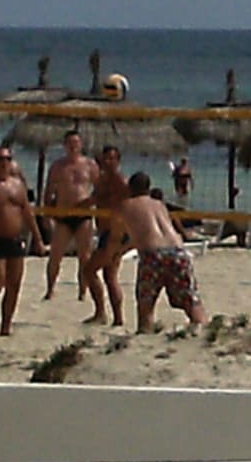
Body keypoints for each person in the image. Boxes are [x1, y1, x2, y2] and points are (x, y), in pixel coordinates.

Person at [104, 171, 208, 333]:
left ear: (130, 189)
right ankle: (206, 332)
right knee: (191, 301)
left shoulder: (125, 206)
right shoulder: (159, 205)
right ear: (148, 188)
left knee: (146, 305)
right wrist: (125, 249)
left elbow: (116, 238)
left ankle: (146, 334)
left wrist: (112, 255)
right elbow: (149, 235)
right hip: (178, 252)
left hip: (152, 255)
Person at [0, 147, 47, 337]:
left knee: (14, 285)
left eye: (8, 159)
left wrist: (38, 239)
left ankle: (6, 327)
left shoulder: (18, 185)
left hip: (15, 240)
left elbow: (27, 213)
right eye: (0, 159)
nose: (4, 163)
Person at [43, 130, 100, 300]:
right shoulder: (58, 166)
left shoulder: (90, 165)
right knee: (55, 255)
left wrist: (92, 204)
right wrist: (47, 214)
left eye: (76, 143)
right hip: (63, 214)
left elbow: (99, 189)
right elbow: (49, 191)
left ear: (81, 145)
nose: (73, 146)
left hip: (84, 215)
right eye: (70, 143)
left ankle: (82, 292)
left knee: (84, 257)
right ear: (64, 145)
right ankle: (50, 289)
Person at [81, 146, 129, 326]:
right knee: (110, 276)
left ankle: (101, 312)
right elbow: (95, 200)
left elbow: (130, 206)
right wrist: (72, 209)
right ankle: (116, 318)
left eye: (112, 158)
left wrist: (126, 237)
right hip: (105, 232)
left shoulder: (121, 182)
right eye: (105, 158)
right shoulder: (102, 180)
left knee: (89, 270)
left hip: (115, 234)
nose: (108, 162)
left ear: (118, 161)